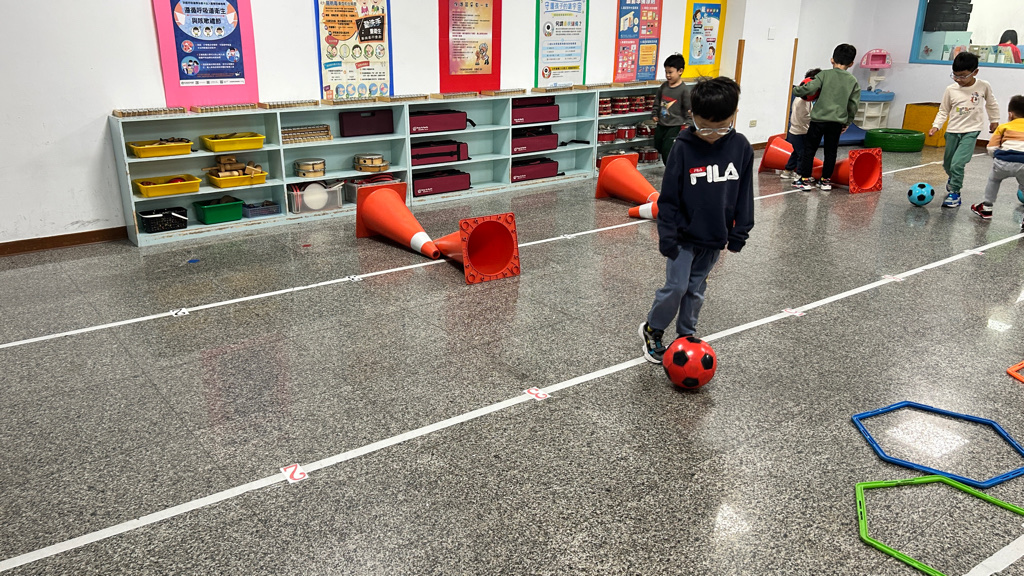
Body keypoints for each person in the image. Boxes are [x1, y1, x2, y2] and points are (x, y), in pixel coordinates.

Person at [639, 77, 754, 364]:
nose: (713, 135)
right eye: (705, 127)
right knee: (677, 287)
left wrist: (740, 231)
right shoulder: (682, 147)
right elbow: (668, 198)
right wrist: (667, 235)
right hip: (682, 236)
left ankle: (686, 336)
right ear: (692, 115)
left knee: (696, 289)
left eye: (722, 127)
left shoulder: (741, 147)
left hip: (714, 236)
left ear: (734, 115)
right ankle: (653, 329)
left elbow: (745, 193)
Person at [928, 52, 1000, 208]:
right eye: (955, 75)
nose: (958, 79)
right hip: (953, 130)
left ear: (975, 72)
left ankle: (955, 192)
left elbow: (991, 104)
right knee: (948, 165)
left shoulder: (983, 86)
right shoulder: (950, 89)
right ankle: (953, 178)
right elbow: (943, 110)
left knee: (957, 164)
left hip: (971, 131)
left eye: (963, 76)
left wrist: (994, 120)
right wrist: (936, 125)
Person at [791, 44, 860, 191]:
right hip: (836, 122)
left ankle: (804, 180)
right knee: (831, 151)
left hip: (818, 120)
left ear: (832, 60)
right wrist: (847, 122)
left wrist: (796, 90)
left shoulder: (824, 75)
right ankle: (825, 181)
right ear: (851, 63)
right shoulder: (853, 81)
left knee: (810, 149)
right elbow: (853, 105)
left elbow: (810, 88)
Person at [973, 95, 1024, 226]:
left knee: (994, 180)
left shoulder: (1003, 127)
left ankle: (987, 207)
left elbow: (991, 148)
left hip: (1003, 161)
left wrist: (997, 156)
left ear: (1010, 114)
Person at [780, 68, 821, 179]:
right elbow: (804, 117)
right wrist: (815, 118)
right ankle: (800, 174)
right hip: (799, 133)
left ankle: (788, 170)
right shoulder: (802, 100)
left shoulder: (806, 99)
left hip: (799, 131)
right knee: (802, 154)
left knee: (797, 152)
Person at [651, 53, 692, 164]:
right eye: (666, 72)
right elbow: (657, 101)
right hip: (661, 124)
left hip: (674, 126)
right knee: (659, 147)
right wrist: (655, 114)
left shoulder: (684, 90)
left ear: (680, 71)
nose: (668, 75)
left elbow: (689, 109)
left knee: (667, 151)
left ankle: (670, 170)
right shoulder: (664, 87)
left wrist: (688, 124)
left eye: (670, 72)